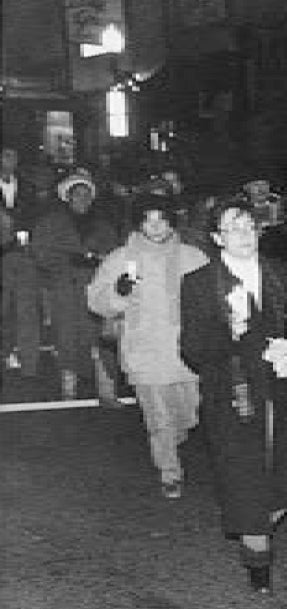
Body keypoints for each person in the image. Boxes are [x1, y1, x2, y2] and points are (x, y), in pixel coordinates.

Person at [179, 200, 287, 592]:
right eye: (232, 227)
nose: (243, 234)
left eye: (248, 226)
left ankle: (262, 526)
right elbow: (193, 347)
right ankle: (258, 560)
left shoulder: (280, 274)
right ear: (217, 238)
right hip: (234, 394)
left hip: (283, 388)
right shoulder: (200, 282)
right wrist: (237, 336)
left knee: (285, 475)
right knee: (245, 477)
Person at [86, 196, 209, 498]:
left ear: (171, 222)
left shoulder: (193, 257)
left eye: (161, 218)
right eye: (148, 219)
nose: (155, 225)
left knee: (188, 415)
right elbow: (96, 301)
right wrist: (119, 292)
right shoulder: (121, 258)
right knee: (159, 419)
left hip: (188, 352)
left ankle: (175, 437)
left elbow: (213, 297)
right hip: (145, 350)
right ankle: (170, 472)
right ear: (139, 223)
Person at [34, 173, 119, 401]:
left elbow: (114, 255)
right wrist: (74, 259)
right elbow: (40, 253)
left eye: (87, 194)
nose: (82, 199)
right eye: (77, 194)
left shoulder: (103, 225)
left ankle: (107, 388)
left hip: (96, 287)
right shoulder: (50, 223)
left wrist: (97, 261)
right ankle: (69, 387)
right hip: (65, 287)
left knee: (100, 338)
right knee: (66, 336)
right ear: (67, 197)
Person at [1, 147, 44, 380]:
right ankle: (4, 353)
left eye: (13, 156)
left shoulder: (28, 188)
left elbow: (36, 217)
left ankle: (30, 365)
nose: (10, 160)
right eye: (5, 156)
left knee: (27, 310)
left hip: (25, 256)